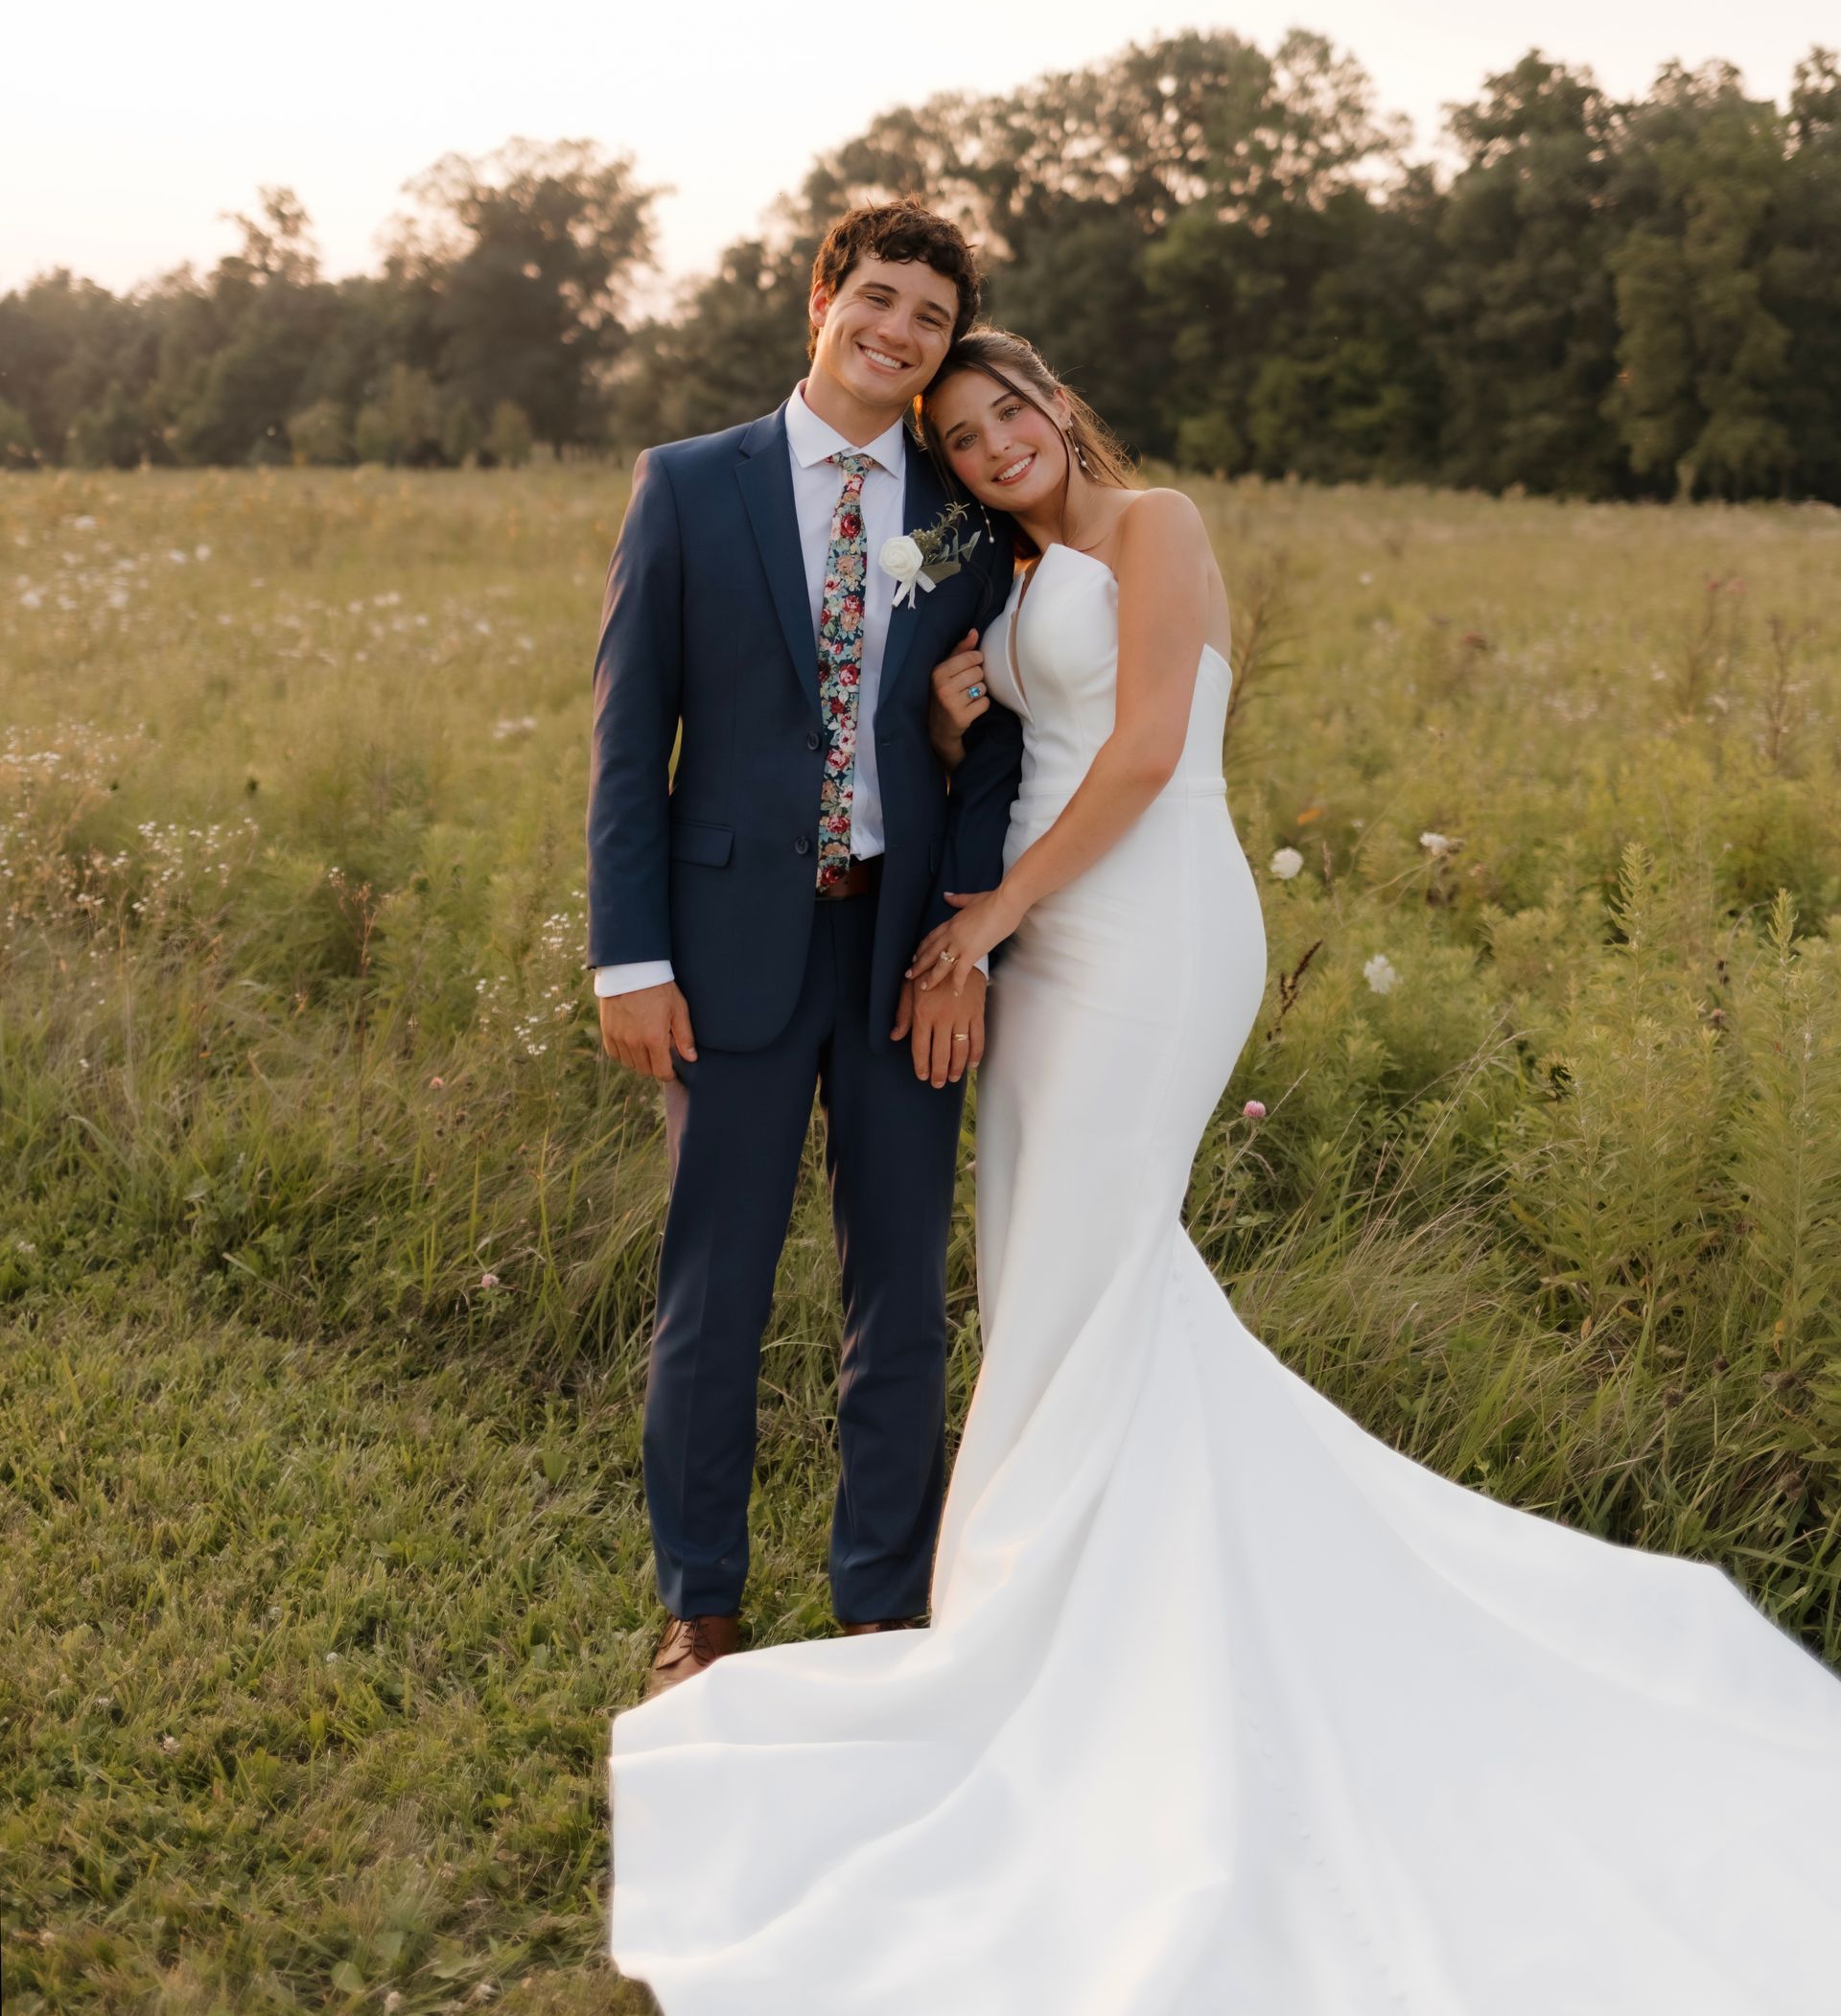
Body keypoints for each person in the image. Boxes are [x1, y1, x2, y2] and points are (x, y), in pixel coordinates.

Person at [606, 323, 1841, 2012]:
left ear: (1059, 404)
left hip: (1146, 927)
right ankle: (1048, 1610)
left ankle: (1066, 1640)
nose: (986, 449)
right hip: (1037, 942)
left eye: (1004, 415)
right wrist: (961, 736)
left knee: (1093, 1272)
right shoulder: (1011, 567)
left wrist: (990, 915)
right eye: (959, 440)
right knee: (1048, 1271)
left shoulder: (1156, 525)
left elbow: (1140, 754)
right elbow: (1012, 754)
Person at [587, 202, 1022, 1697]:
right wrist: (628, 960)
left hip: (902, 954)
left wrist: (964, 944)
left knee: (901, 1285)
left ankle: (878, 1606)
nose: (897, 333)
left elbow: (996, 744)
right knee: (717, 1286)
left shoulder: (960, 513)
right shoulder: (689, 487)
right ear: (822, 298)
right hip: (728, 955)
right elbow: (631, 737)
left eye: (928, 320)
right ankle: (701, 1609)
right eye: (879, 299)